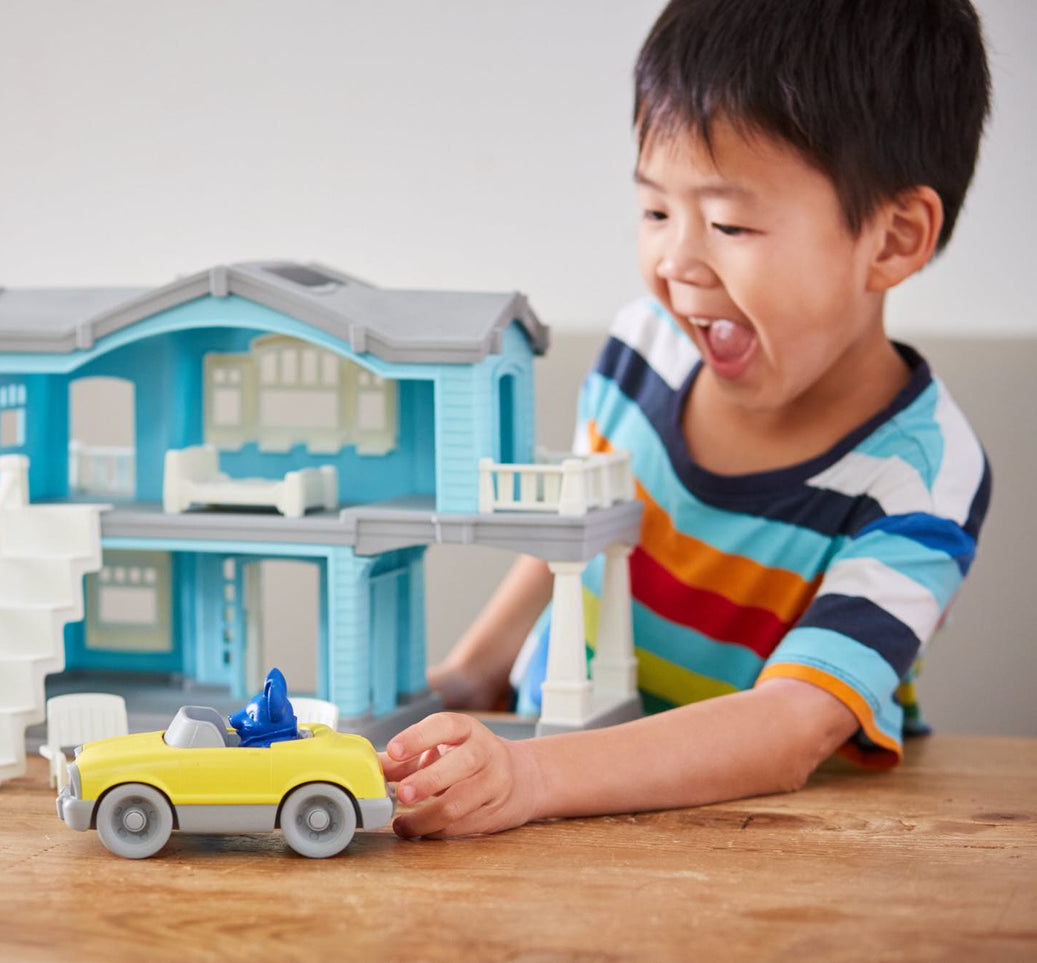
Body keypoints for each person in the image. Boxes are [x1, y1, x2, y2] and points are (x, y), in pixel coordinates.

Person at [382, 0, 992, 839]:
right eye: (655, 211)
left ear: (890, 238)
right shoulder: (643, 349)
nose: (674, 262)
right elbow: (574, 533)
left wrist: (527, 773)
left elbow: (788, 730)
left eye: (730, 222)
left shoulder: (921, 474)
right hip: (540, 815)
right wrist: (466, 674)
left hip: (772, 850)